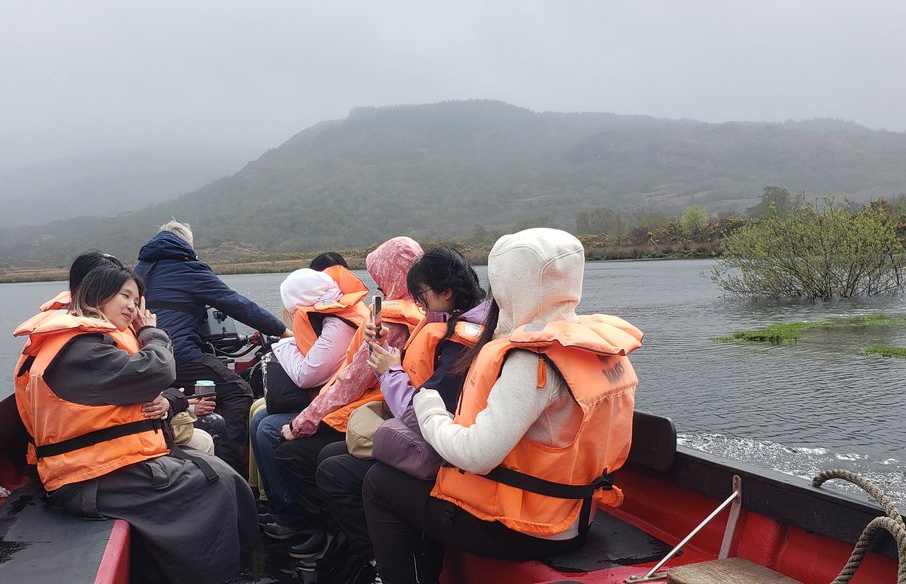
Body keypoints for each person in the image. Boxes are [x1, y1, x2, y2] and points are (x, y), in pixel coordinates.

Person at [362, 228, 643, 584]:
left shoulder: (532, 361)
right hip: (577, 515)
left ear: (509, 283)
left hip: (528, 528)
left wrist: (427, 404)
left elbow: (476, 455)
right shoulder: (599, 347)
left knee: (379, 483)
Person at [13, 263, 258, 584]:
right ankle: (212, 573)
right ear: (98, 295)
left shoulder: (85, 341)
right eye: (124, 296)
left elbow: (134, 393)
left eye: (137, 298)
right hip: (86, 479)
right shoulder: (80, 349)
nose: (133, 306)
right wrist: (152, 332)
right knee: (216, 484)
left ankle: (231, 564)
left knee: (222, 476)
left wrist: (168, 399)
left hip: (103, 465)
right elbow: (157, 371)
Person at [309, 247, 488, 580]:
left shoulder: (463, 342)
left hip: (444, 452)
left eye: (422, 298)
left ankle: (392, 564)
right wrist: (387, 357)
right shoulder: (456, 323)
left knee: (341, 473)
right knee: (332, 456)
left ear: (446, 293)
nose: (419, 307)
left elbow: (424, 413)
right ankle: (377, 554)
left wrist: (389, 372)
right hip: (433, 437)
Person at [273, 237, 426, 556]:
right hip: (390, 411)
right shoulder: (423, 312)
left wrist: (302, 423)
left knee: (294, 453)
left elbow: (349, 382)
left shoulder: (392, 320)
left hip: (377, 414)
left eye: (380, 276)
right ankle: (341, 534)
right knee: (317, 452)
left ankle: (344, 538)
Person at [135, 219, 291, 472]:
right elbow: (237, 304)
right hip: (179, 354)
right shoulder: (187, 268)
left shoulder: (141, 270)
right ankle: (226, 471)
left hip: (145, 356)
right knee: (239, 392)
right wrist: (283, 330)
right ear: (187, 245)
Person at [251, 267, 366, 545]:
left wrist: (283, 346)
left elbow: (307, 375)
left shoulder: (339, 324)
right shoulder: (330, 317)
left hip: (346, 410)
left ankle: (293, 516)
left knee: (267, 428)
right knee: (260, 417)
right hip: (332, 402)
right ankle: (279, 506)